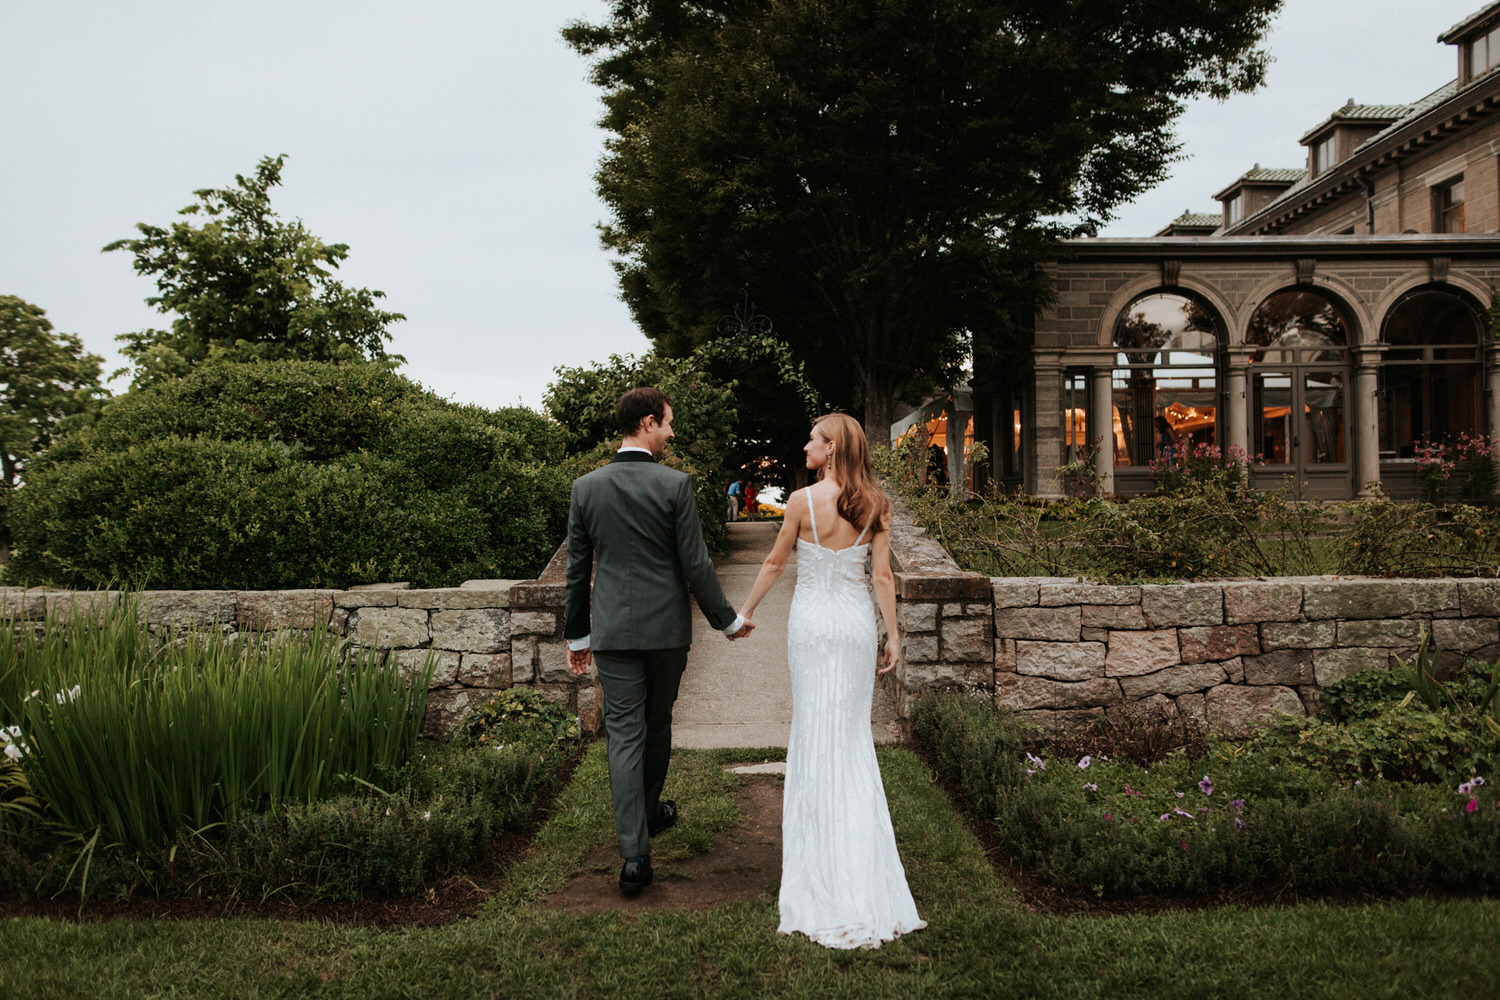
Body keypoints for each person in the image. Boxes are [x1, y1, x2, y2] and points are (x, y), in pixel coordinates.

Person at [737, 412, 925, 949]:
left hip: (813, 627)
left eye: (813, 439)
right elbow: (881, 576)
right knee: (850, 737)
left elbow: (775, 563)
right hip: (854, 626)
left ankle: (820, 857)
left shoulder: (802, 502)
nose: (805, 445)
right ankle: (857, 856)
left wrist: (743, 613)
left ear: (834, 448)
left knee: (814, 731)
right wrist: (892, 635)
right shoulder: (877, 505)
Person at [565, 387, 754, 897]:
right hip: (667, 631)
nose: (672, 433)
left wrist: (577, 634)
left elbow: (577, 570)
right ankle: (645, 819)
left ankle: (635, 853)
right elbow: (695, 563)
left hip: (611, 632)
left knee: (625, 734)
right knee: (657, 723)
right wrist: (729, 621)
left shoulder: (586, 488)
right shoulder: (675, 485)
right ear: (648, 423)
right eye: (669, 423)